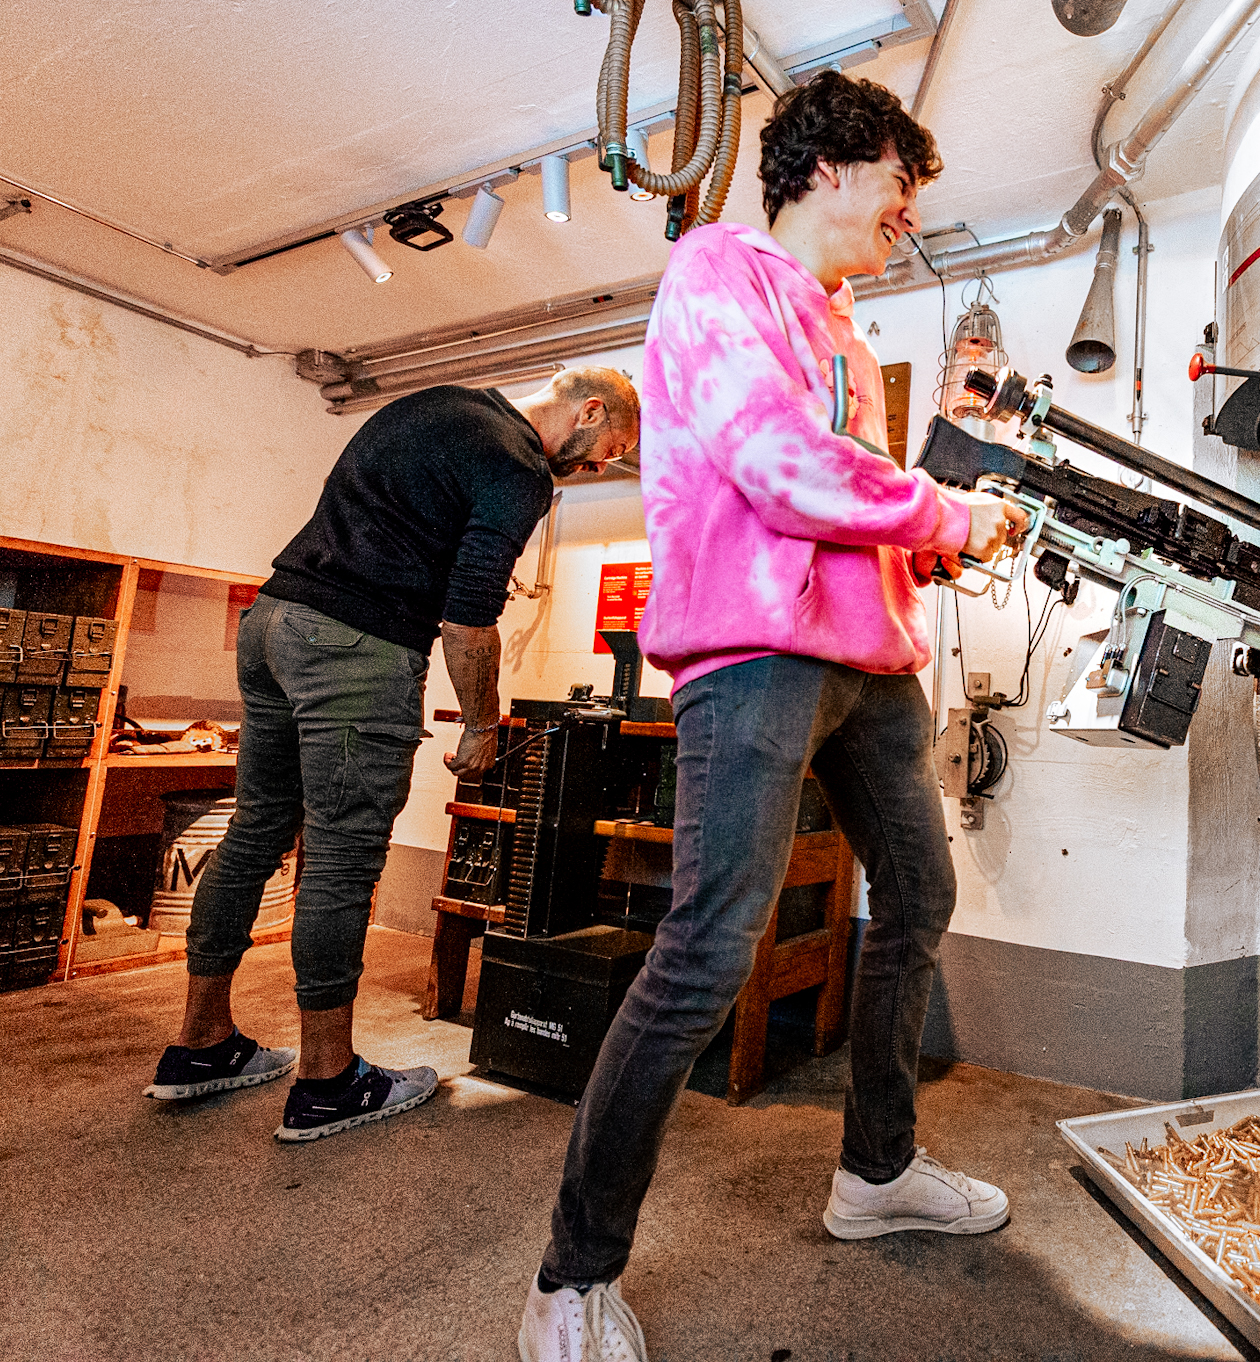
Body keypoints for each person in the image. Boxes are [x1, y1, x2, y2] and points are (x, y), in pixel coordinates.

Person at [516, 73, 1029, 1362]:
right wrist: (947, 512)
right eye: (899, 186)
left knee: (916, 898)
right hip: (753, 654)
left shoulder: (845, 331)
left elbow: (850, 501)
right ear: (834, 166)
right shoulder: (716, 272)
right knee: (707, 950)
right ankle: (572, 1276)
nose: (907, 215)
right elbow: (780, 468)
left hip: (870, 662)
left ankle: (876, 1172)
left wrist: (926, 544)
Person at [142, 368, 640, 1144]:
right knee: (342, 859)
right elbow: (468, 617)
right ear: (589, 410)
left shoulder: (439, 404)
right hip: (354, 648)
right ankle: (328, 1081)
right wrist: (482, 724)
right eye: (612, 447)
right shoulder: (518, 466)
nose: (605, 464)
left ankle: (201, 1044)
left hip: (272, 623)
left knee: (254, 833)